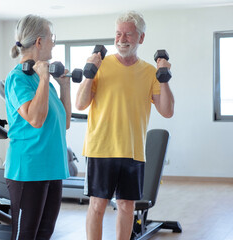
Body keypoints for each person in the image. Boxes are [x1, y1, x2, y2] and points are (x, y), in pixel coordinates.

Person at [75, 11, 174, 240]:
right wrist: (90, 71)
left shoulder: (150, 72)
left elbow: (167, 111)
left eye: (128, 34)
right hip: (101, 147)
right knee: (97, 205)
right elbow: (81, 103)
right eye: (118, 34)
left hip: (132, 149)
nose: (122, 39)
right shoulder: (101, 66)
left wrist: (164, 78)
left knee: (127, 206)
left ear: (141, 38)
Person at [4, 14, 71, 240]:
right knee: (26, 236)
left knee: (44, 234)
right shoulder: (18, 79)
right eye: (52, 38)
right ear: (40, 42)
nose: (54, 42)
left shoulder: (45, 83)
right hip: (28, 170)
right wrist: (44, 79)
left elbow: (65, 123)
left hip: (51, 168)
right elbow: (35, 119)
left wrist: (64, 86)